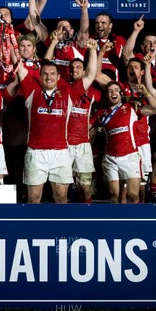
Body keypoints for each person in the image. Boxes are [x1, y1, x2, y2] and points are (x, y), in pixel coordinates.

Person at [12, 34, 96, 203]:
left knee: (61, 197)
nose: (48, 77)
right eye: (45, 74)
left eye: (52, 74)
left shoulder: (68, 92)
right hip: (36, 153)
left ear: (59, 77)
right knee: (34, 198)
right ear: (39, 76)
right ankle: (34, 230)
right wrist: (7, 34)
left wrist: (93, 50)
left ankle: (62, 230)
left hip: (60, 153)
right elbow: (18, 63)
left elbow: (90, 75)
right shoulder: (31, 88)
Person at [122, 15, 156, 202]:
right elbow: (127, 54)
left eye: (155, 42)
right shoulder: (139, 61)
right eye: (148, 42)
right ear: (142, 47)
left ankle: (155, 189)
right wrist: (136, 30)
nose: (152, 45)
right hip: (145, 106)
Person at [91, 80, 156, 203]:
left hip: (130, 157)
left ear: (121, 94)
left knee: (133, 195)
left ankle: (136, 221)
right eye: (109, 91)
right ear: (106, 95)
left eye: (116, 90)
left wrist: (146, 93)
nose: (113, 93)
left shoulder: (131, 107)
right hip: (110, 158)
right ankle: (117, 222)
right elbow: (85, 127)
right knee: (114, 196)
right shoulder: (101, 113)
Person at [66, 41, 101, 203]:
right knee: (61, 187)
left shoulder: (93, 92)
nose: (74, 70)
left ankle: (88, 220)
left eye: (78, 67)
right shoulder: (64, 88)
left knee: (85, 187)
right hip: (63, 144)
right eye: (72, 68)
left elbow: (105, 108)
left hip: (83, 145)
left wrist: (92, 122)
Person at [90, 11, 127, 81]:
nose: (99, 25)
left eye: (103, 23)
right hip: (94, 85)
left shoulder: (120, 40)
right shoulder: (91, 40)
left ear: (110, 25)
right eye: (97, 23)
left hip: (114, 86)